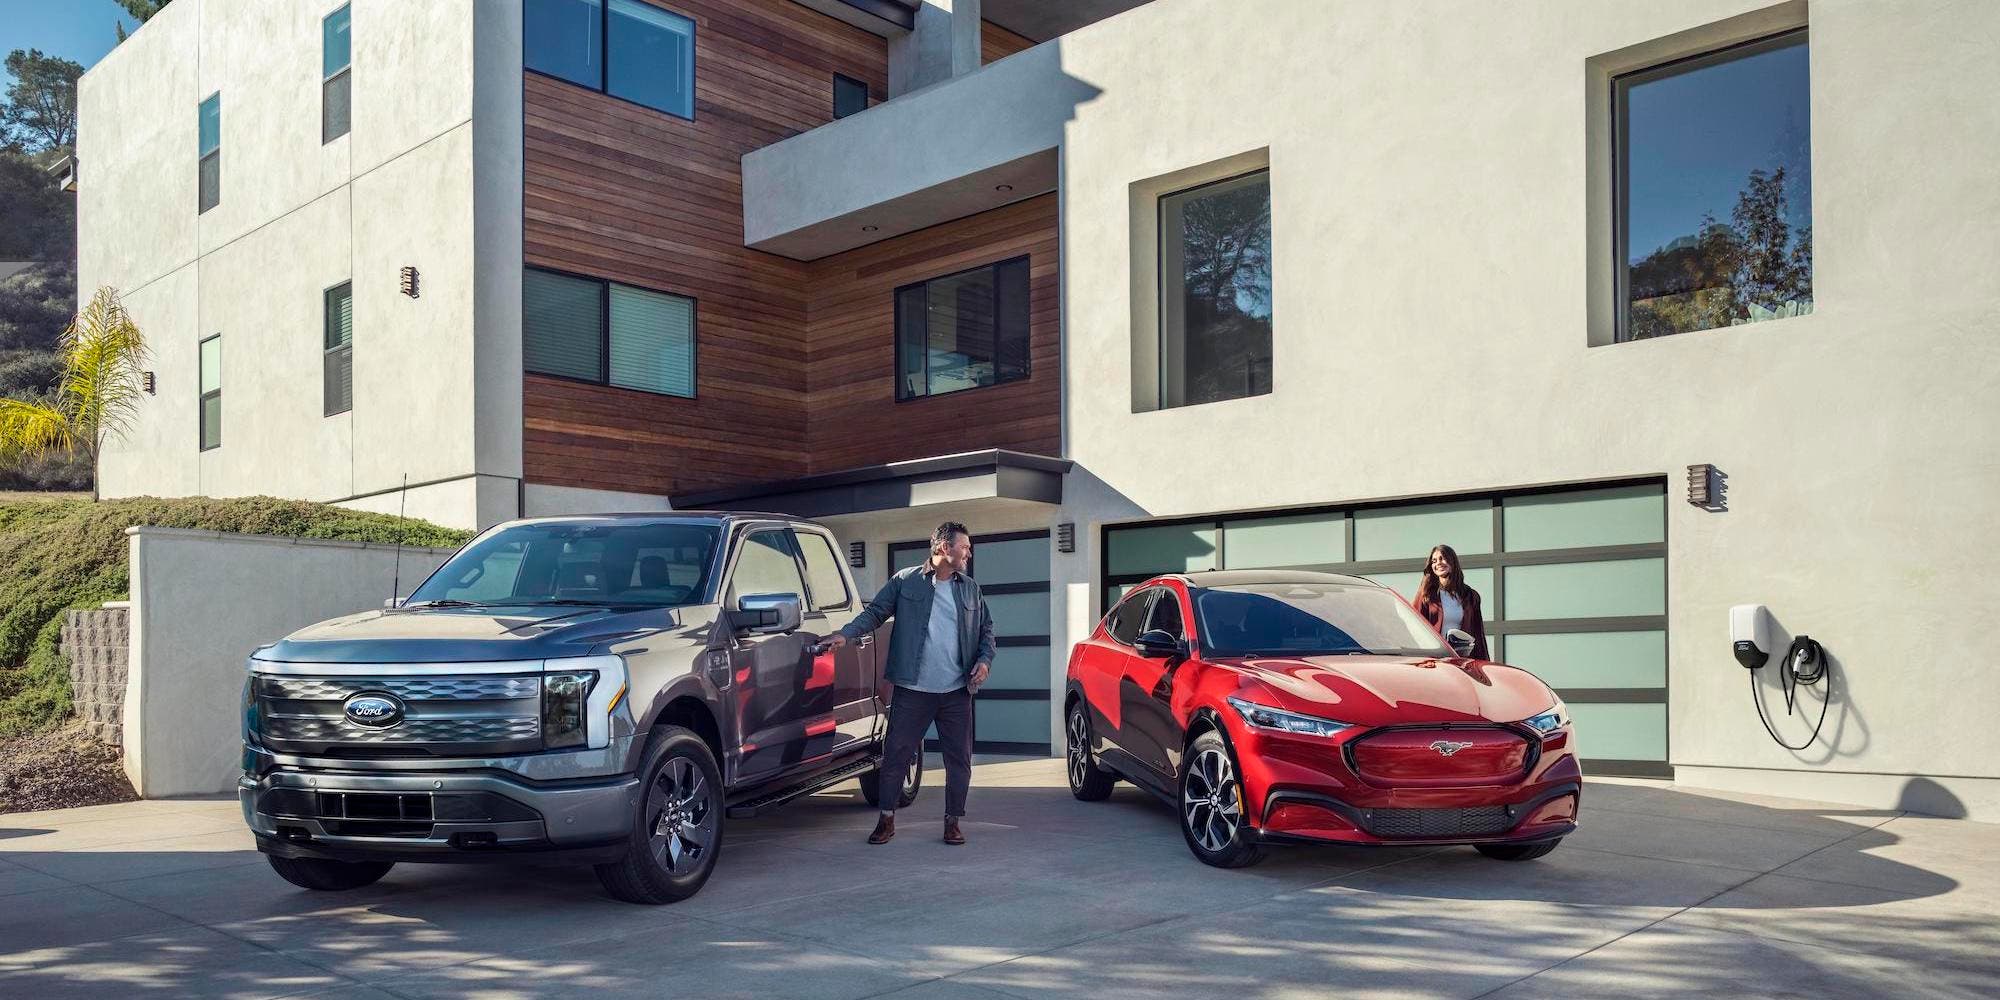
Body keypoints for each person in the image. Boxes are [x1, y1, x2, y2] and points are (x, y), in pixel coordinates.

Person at [822, 521, 993, 846]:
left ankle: (952, 822)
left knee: (959, 761)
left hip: (957, 692)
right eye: (965, 547)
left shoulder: (970, 588)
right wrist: (845, 635)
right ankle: (886, 819)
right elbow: (874, 614)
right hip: (913, 690)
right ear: (945, 548)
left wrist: (984, 661)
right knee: (895, 756)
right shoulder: (906, 581)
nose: (969, 552)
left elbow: (987, 631)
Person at [1412, 543, 1489, 660]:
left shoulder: (1471, 596)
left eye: (1442, 558)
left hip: (1462, 660)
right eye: (1434, 561)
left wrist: (1484, 663)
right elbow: (1415, 628)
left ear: (1452, 562)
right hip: (1434, 661)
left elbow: (1478, 633)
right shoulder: (1426, 595)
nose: (1438, 563)